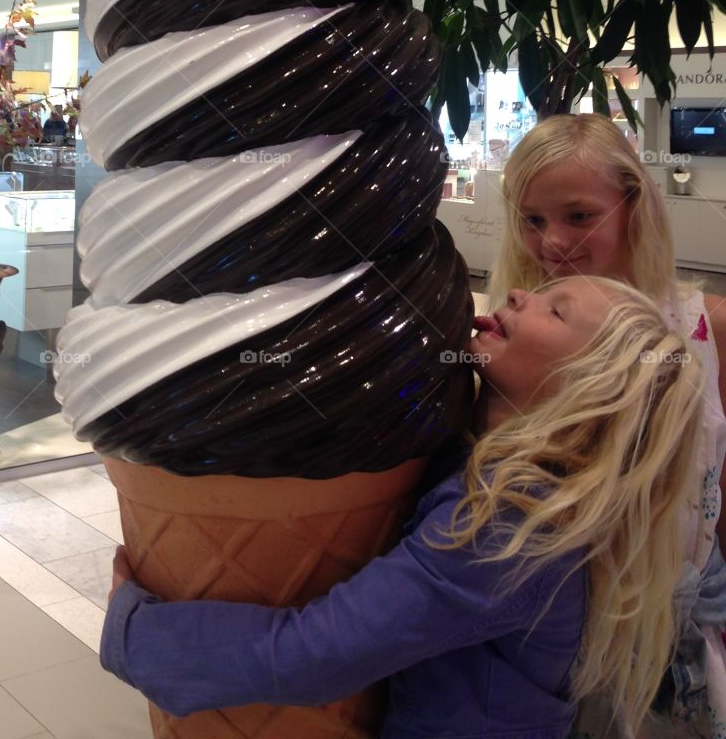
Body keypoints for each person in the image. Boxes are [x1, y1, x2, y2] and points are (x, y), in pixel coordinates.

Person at [101, 276, 705, 738]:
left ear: (589, 388)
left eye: (555, 309)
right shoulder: (482, 465)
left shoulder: (510, 530)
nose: (520, 291)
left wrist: (134, 630)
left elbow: (316, 655)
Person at [488, 113, 726, 736]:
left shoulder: (707, 328)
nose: (553, 243)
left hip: (672, 633)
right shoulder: (510, 329)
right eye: (533, 220)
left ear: (632, 204)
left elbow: (716, 486)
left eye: (577, 215)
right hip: (542, 632)